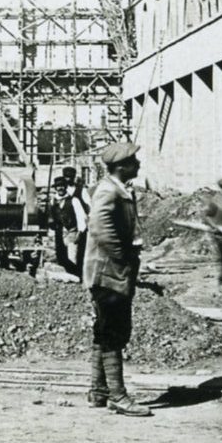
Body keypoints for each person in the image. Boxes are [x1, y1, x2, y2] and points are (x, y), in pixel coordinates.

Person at [82, 142, 152, 416]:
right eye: (134, 161)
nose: (138, 164)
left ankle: (98, 391)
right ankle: (118, 396)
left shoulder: (117, 189)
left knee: (104, 330)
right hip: (108, 271)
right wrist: (122, 257)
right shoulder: (108, 191)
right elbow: (100, 229)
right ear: (121, 166)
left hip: (112, 270)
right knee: (114, 332)